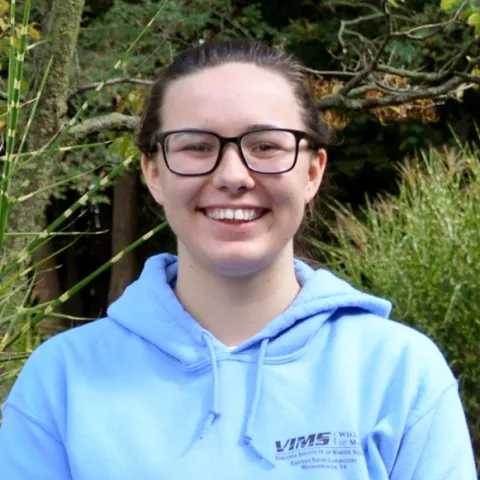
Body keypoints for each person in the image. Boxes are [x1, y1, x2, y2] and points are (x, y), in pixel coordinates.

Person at [0, 39, 476, 480]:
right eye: (197, 146)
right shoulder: (62, 380)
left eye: (265, 146)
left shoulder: (399, 371)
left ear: (313, 171)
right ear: (153, 173)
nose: (233, 175)